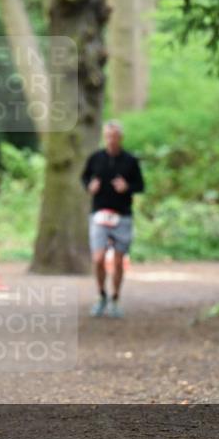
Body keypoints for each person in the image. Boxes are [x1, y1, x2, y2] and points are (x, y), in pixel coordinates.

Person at [80, 120, 144, 318]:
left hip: (122, 215)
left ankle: (115, 298)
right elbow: (84, 178)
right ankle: (101, 295)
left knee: (118, 260)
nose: (111, 140)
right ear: (104, 137)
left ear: (120, 138)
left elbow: (141, 185)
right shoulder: (95, 158)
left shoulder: (130, 160)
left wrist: (127, 187)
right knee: (98, 258)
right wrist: (89, 186)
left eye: (114, 137)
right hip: (99, 214)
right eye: (108, 136)